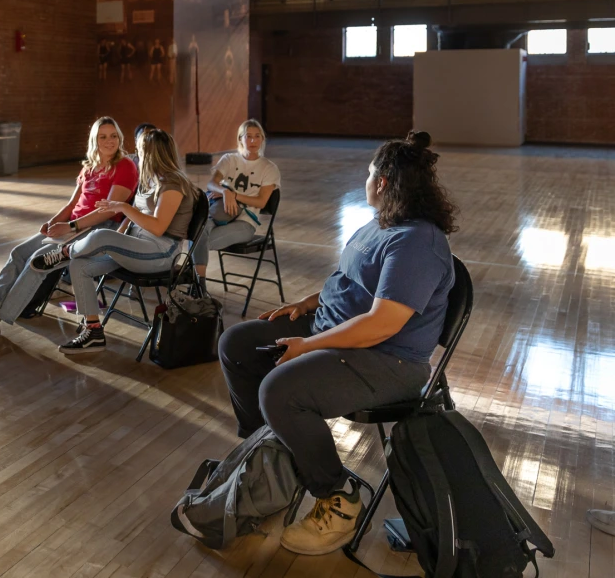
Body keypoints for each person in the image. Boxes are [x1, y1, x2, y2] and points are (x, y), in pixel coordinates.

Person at [217, 131, 457, 556]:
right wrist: (310, 302)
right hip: (333, 329)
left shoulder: (418, 242)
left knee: (281, 388)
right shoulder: (384, 221)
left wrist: (307, 347)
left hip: (386, 361)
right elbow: (354, 281)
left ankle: (338, 498)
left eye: (368, 174)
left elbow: (381, 324)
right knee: (237, 343)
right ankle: (270, 462)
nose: (365, 181)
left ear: (382, 182)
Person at [0, 117, 138, 342]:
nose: (109, 141)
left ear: (120, 138)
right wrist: (52, 223)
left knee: (39, 259)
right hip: (72, 226)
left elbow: (108, 211)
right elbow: (71, 205)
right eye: (103, 136)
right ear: (94, 140)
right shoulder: (89, 167)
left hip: (97, 229)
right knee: (19, 253)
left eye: (113, 136)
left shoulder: (125, 166)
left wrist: (70, 226)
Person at [31, 128, 199, 355]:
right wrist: (119, 233)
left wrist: (123, 208)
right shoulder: (149, 179)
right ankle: (93, 332)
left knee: (102, 236)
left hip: (161, 253)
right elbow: (130, 222)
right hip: (137, 247)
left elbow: (158, 227)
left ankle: (63, 252)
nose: (135, 155)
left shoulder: (173, 184)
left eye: (139, 150)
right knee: (80, 266)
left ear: (151, 153)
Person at [192, 119, 280, 277]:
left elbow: (261, 202)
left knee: (198, 240)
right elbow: (212, 184)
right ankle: (199, 286)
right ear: (240, 139)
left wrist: (234, 194)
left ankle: (197, 285)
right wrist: (225, 192)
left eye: (257, 136)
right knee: (197, 231)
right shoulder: (229, 159)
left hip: (245, 222)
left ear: (262, 139)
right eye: (248, 136)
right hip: (219, 213)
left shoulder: (269, 168)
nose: (253, 140)